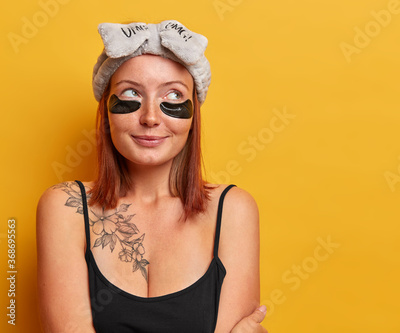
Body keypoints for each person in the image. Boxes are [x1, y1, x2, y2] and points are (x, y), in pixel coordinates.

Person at [37, 20, 267, 333]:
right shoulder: (65, 207)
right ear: (106, 108)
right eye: (131, 93)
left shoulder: (232, 210)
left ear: (192, 115)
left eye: (172, 96)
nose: (150, 118)